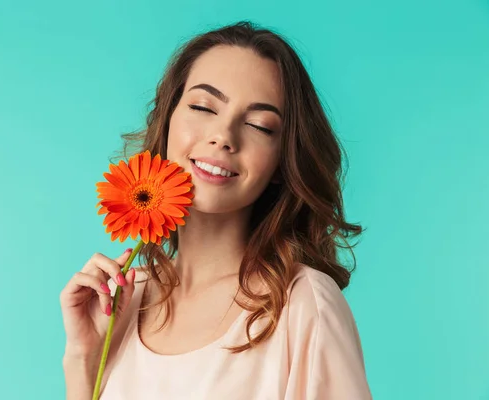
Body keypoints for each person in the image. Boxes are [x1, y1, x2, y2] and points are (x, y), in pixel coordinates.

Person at [60, 20, 372, 400]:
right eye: (203, 106)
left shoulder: (302, 304)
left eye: (259, 125)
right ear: (168, 119)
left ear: (281, 163)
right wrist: (82, 360)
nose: (224, 136)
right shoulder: (123, 299)